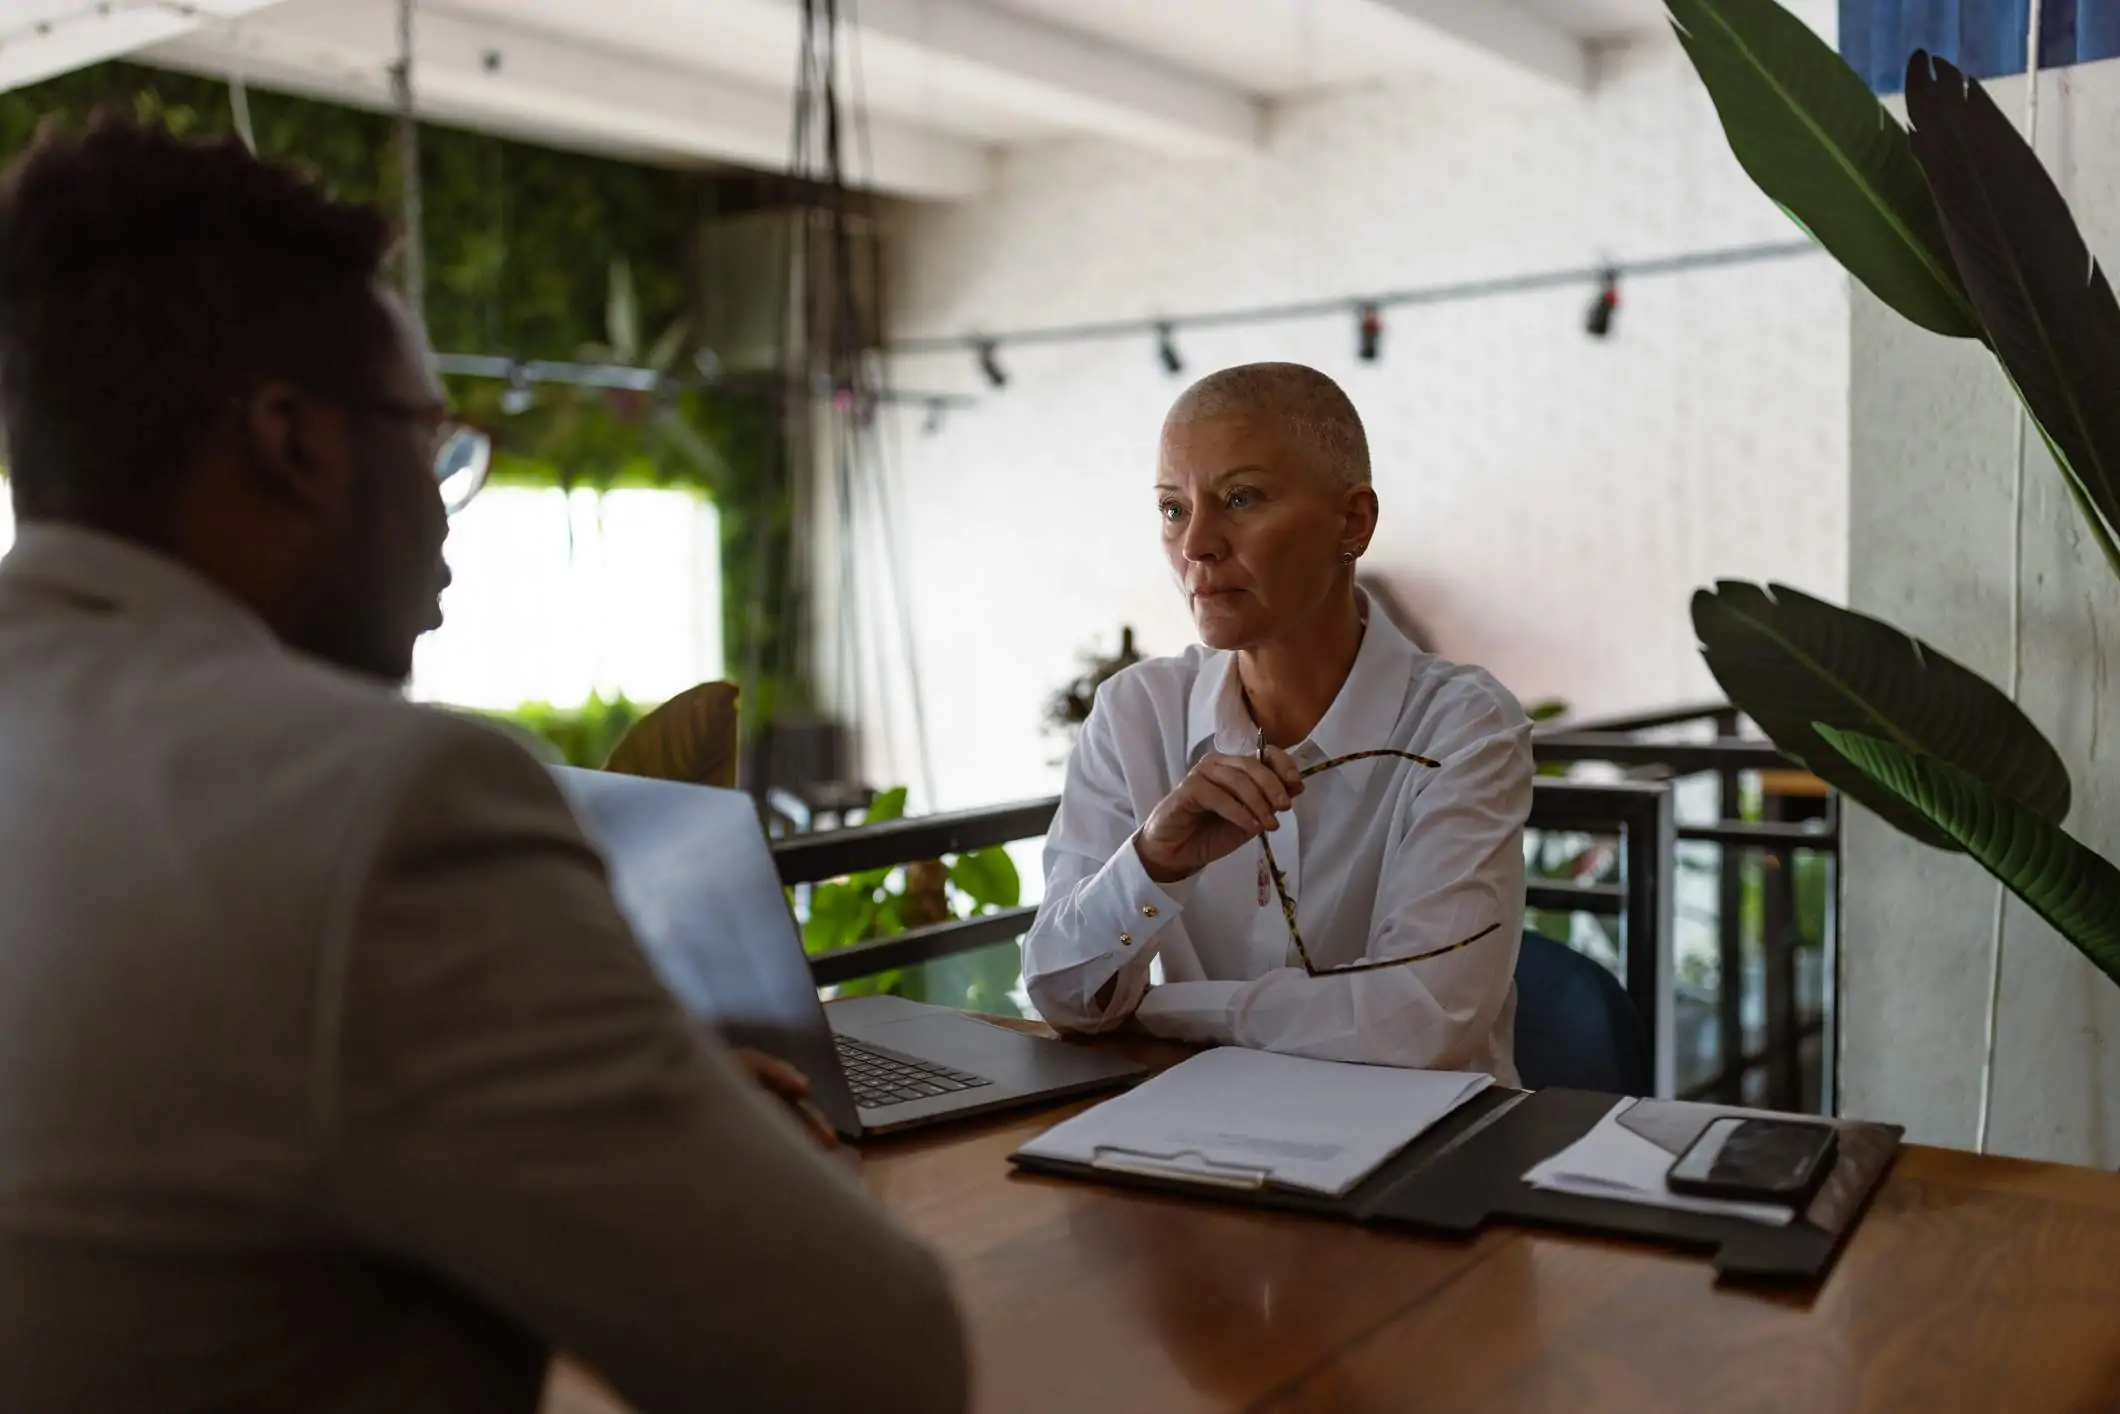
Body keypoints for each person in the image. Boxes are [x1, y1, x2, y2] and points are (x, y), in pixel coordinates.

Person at [0, 119, 966, 1414]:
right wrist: (670, 1111)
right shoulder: (384, 804)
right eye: (435, 441)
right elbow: (876, 1363)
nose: (452, 505)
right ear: (294, 443)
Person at [1022, 363, 1533, 1080]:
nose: (1197, 543)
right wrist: (1153, 861)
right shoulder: (1136, 713)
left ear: (1352, 522)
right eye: (1173, 508)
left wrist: (1172, 1010)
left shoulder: (1463, 729)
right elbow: (1061, 993)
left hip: (1422, 1157)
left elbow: (1418, 1023)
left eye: (1240, 498)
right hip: (1194, 1142)